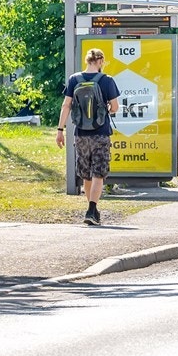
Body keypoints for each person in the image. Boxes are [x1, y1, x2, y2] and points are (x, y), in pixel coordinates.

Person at [57, 47, 121, 226]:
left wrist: (60, 130)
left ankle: (92, 210)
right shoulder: (107, 80)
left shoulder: (74, 79)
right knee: (98, 173)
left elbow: (66, 105)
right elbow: (115, 107)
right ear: (100, 61)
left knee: (86, 175)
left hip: (81, 134)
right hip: (101, 133)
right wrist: (106, 110)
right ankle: (92, 209)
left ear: (87, 61)